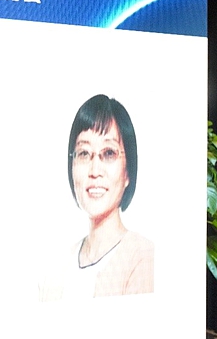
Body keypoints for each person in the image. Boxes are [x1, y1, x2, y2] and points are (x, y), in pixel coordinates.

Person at [39, 94, 153, 301]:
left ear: (128, 172)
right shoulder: (56, 268)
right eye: (84, 153)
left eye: (109, 153)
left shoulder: (143, 257)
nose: (94, 171)